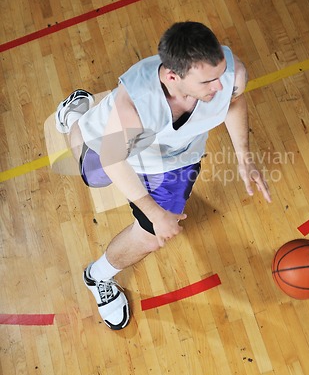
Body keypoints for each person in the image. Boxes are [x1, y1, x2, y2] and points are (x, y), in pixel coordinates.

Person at [55, 21, 271, 330]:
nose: (219, 86)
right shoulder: (134, 104)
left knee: (151, 238)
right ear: (172, 77)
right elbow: (113, 159)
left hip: (172, 160)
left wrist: (244, 157)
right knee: (92, 173)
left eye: (220, 73)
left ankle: (97, 275)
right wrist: (155, 213)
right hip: (115, 144)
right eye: (208, 82)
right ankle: (76, 111)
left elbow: (232, 101)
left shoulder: (230, 76)